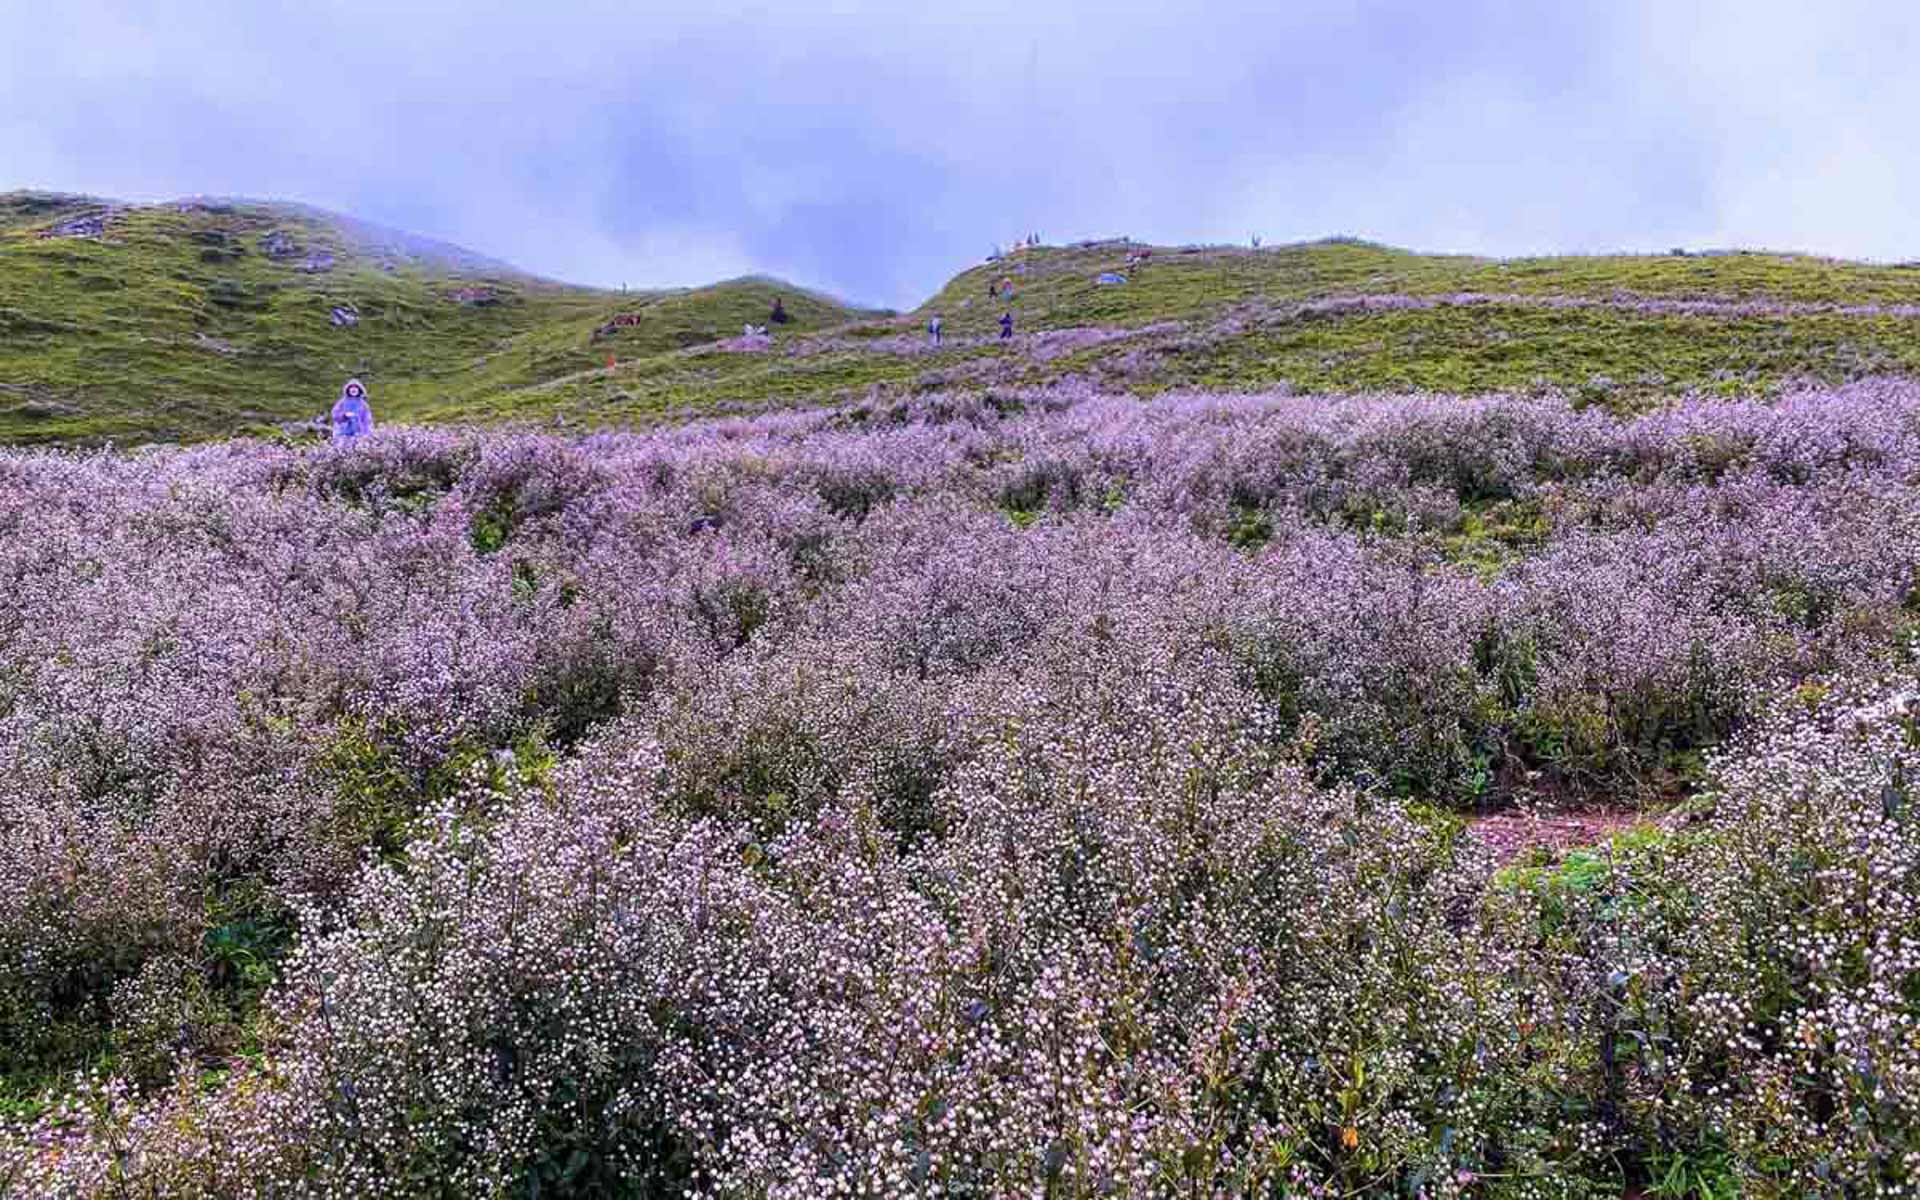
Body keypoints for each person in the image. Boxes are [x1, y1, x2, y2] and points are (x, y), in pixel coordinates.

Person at [330, 378, 373, 443]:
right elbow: (335, 415)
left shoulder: (363, 404)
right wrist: (344, 415)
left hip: (359, 435)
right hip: (342, 434)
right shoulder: (342, 402)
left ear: (359, 390)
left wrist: (367, 434)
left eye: (356, 387)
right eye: (351, 387)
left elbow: (367, 421)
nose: (353, 389)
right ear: (348, 390)